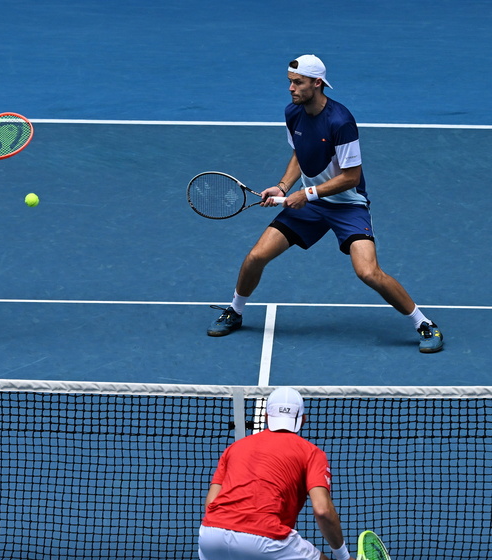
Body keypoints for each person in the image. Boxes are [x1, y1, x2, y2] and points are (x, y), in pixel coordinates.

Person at [207, 54, 444, 353]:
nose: (291, 88)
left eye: (298, 83)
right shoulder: (293, 114)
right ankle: (235, 311)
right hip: (311, 206)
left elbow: (351, 177)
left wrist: (305, 195)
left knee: (368, 272)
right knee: (256, 256)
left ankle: (425, 324)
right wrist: (282, 186)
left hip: (347, 206)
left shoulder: (340, 121)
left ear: (317, 83)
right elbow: (299, 154)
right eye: (290, 82)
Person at [198, 387, 349, 560]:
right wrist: (343, 556)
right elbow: (322, 510)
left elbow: (211, 502)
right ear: (303, 420)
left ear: (267, 417)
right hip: (265, 539)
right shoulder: (312, 453)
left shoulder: (233, 448)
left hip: (211, 536)